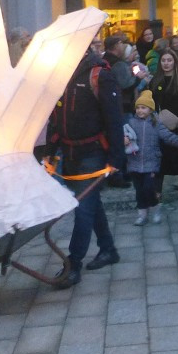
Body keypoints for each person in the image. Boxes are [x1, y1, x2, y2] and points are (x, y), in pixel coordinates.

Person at [47, 42, 124, 288]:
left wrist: (116, 159)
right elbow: (55, 117)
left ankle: (73, 264)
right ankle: (108, 249)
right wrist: (49, 150)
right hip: (69, 153)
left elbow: (114, 120)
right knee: (91, 203)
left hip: (93, 154)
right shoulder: (60, 75)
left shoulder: (100, 75)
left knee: (83, 208)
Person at [125, 90, 178, 226]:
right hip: (134, 163)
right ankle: (142, 215)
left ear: (150, 109)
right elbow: (125, 135)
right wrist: (125, 139)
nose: (140, 111)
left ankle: (155, 207)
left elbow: (167, 136)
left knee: (148, 188)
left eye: (143, 108)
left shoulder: (155, 123)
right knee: (139, 191)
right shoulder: (131, 123)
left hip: (151, 162)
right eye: (138, 108)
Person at [148, 49, 178, 199]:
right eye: (163, 60)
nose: (166, 63)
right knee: (160, 159)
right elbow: (150, 103)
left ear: (174, 62)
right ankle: (157, 190)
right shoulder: (155, 81)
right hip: (160, 126)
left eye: (169, 60)